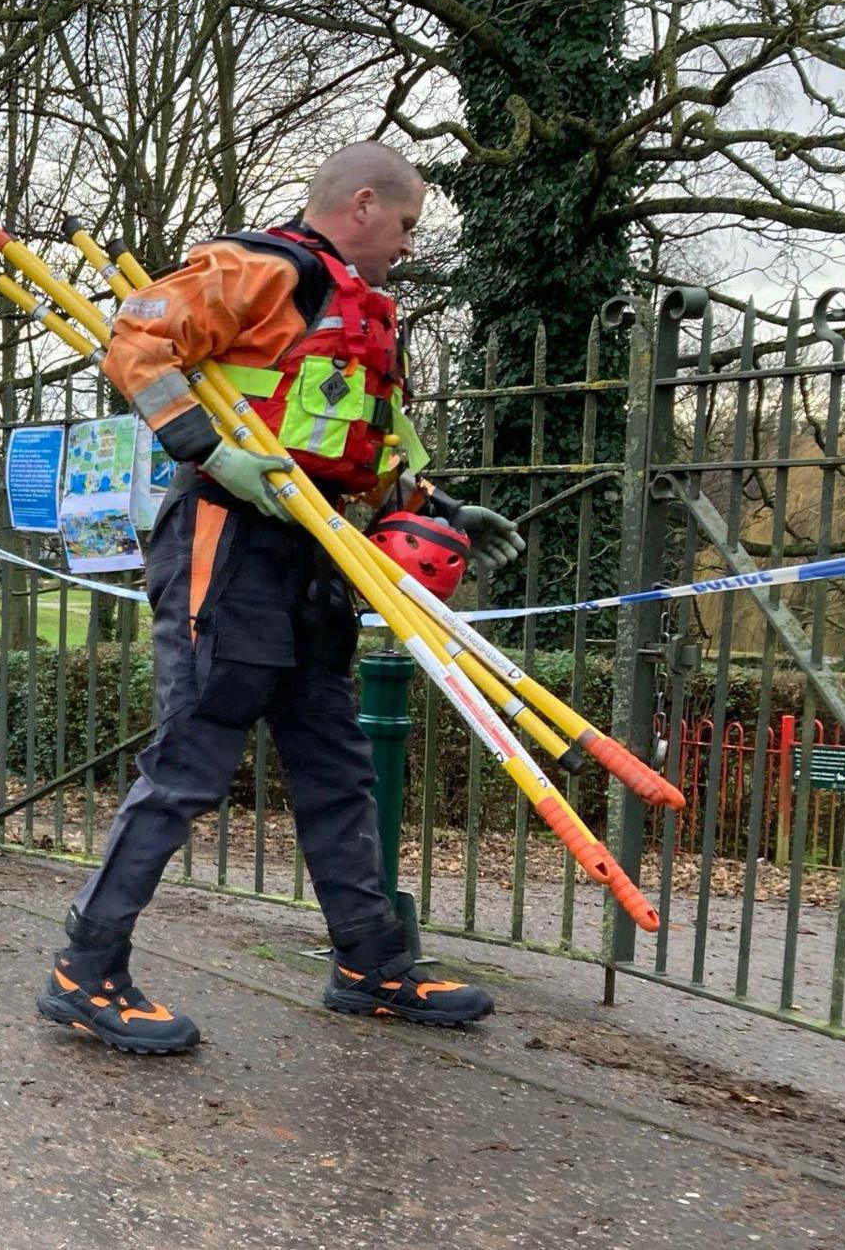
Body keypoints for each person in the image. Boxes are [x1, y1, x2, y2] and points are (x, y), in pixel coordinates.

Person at [42, 143, 527, 1053]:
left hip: (314, 556)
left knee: (337, 767)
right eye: (408, 227)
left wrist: (439, 506)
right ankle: (86, 968)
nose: (410, 247)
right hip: (226, 547)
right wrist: (209, 451)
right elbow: (136, 339)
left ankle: (370, 961)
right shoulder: (257, 268)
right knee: (187, 767)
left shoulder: (363, 310)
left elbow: (354, 447)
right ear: (364, 204)